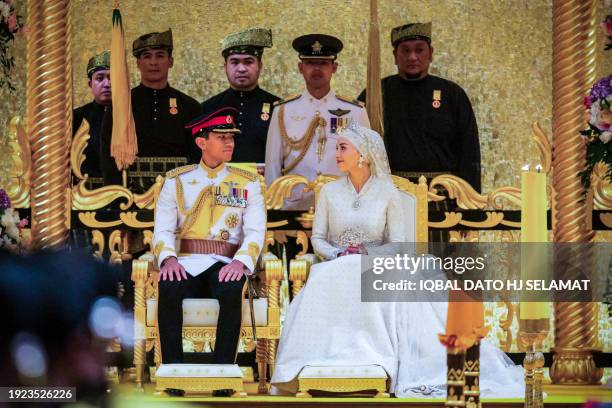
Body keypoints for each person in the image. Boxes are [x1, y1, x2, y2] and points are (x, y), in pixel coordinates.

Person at [270, 122, 523, 397]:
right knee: (327, 276)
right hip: (337, 263)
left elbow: (399, 245)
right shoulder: (329, 193)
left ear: (363, 154)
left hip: (378, 264)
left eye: (342, 148)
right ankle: (322, 360)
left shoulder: (387, 192)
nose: (337, 155)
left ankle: (376, 356)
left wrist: (367, 253)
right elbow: (318, 238)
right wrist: (338, 253)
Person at [153, 107, 265, 396]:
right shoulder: (177, 180)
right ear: (201, 142)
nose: (230, 143)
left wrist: (241, 263)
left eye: (232, 137)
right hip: (187, 260)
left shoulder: (247, 181)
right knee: (168, 285)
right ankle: (173, 376)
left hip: (226, 260)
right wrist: (167, 258)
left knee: (230, 290)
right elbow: (163, 230)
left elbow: (255, 232)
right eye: (221, 137)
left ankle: (223, 376)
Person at [358, 22, 481, 192]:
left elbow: (469, 152)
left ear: (431, 53)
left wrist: (470, 200)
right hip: (391, 193)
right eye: (406, 50)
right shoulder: (376, 94)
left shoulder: (452, 94)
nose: (412, 57)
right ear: (395, 55)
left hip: (442, 195)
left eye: (419, 49)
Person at [265, 34, 370, 210]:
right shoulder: (283, 110)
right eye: (310, 63)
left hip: (341, 207)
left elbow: (365, 163)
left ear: (334, 67)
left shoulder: (355, 111)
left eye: (323, 63)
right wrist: (274, 209)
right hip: (294, 206)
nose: (317, 69)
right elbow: (273, 165)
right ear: (300, 67)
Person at [100, 29, 202, 193]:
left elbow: (200, 158)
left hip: (180, 195)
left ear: (171, 61)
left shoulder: (190, 107)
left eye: (160, 55)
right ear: (138, 63)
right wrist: (116, 196)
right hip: (131, 196)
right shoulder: (121, 105)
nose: (153, 62)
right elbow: (108, 155)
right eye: (147, 56)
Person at [201, 28, 280, 164]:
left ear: (260, 66)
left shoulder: (278, 108)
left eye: (248, 62)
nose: (241, 69)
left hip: (264, 183)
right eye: (235, 62)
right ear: (225, 67)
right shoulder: (209, 108)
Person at [73, 50, 111, 188]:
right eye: (100, 78)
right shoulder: (76, 117)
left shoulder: (133, 115)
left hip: (124, 192)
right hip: (85, 193)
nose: (107, 84)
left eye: (112, 78)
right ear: (90, 84)